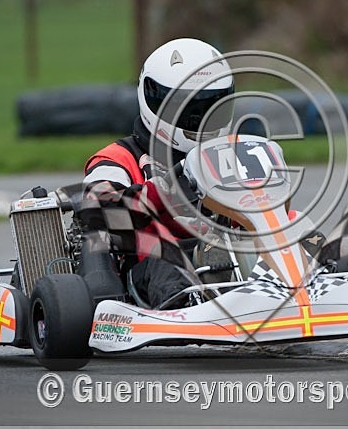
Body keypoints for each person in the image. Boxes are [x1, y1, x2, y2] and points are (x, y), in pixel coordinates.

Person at [81, 38, 235, 308]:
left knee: (301, 233)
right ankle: (191, 303)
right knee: (169, 264)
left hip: (233, 252)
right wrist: (168, 190)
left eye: (213, 108)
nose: (202, 120)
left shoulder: (233, 153)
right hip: (153, 262)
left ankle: (314, 283)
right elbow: (98, 210)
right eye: (191, 110)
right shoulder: (118, 157)